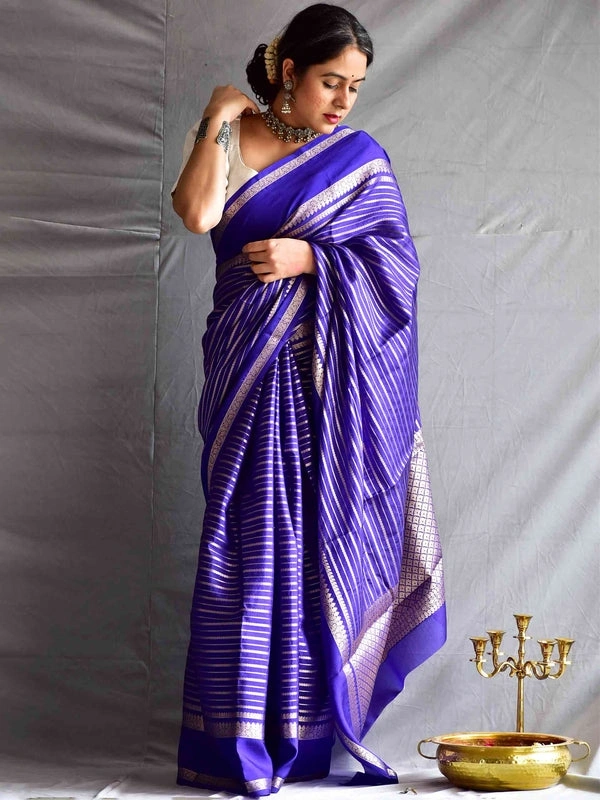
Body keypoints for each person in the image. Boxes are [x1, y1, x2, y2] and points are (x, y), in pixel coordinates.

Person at [172, 4, 446, 796]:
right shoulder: (229, 135)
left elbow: (396, 268)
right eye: (331, 82)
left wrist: (314, 260)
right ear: (288, 71)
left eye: (355, 87)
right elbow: (198, 215)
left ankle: (299, 739)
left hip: (325, 387)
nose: (343, 102)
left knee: (310, 546)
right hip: (245, 374)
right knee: (247, 547)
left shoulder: (359, 158)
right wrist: (217, 115)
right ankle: (235, 743)